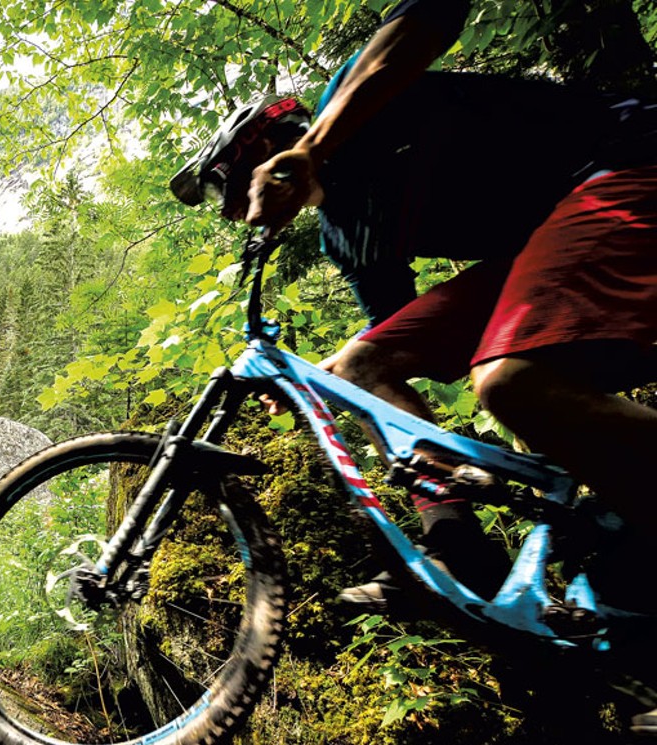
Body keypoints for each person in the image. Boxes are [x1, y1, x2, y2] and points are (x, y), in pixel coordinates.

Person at [171, 0, 656, 651]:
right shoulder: (349, 237)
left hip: (625, 162)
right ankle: (456, 547)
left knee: (509, 381)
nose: (239, 201)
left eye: (229, 180)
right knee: (359, 367)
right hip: (546, 235)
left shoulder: (353, 101)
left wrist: (312, 148)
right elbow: (389, 347)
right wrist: (319, 389)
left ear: (257, 144)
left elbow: (430, 18)